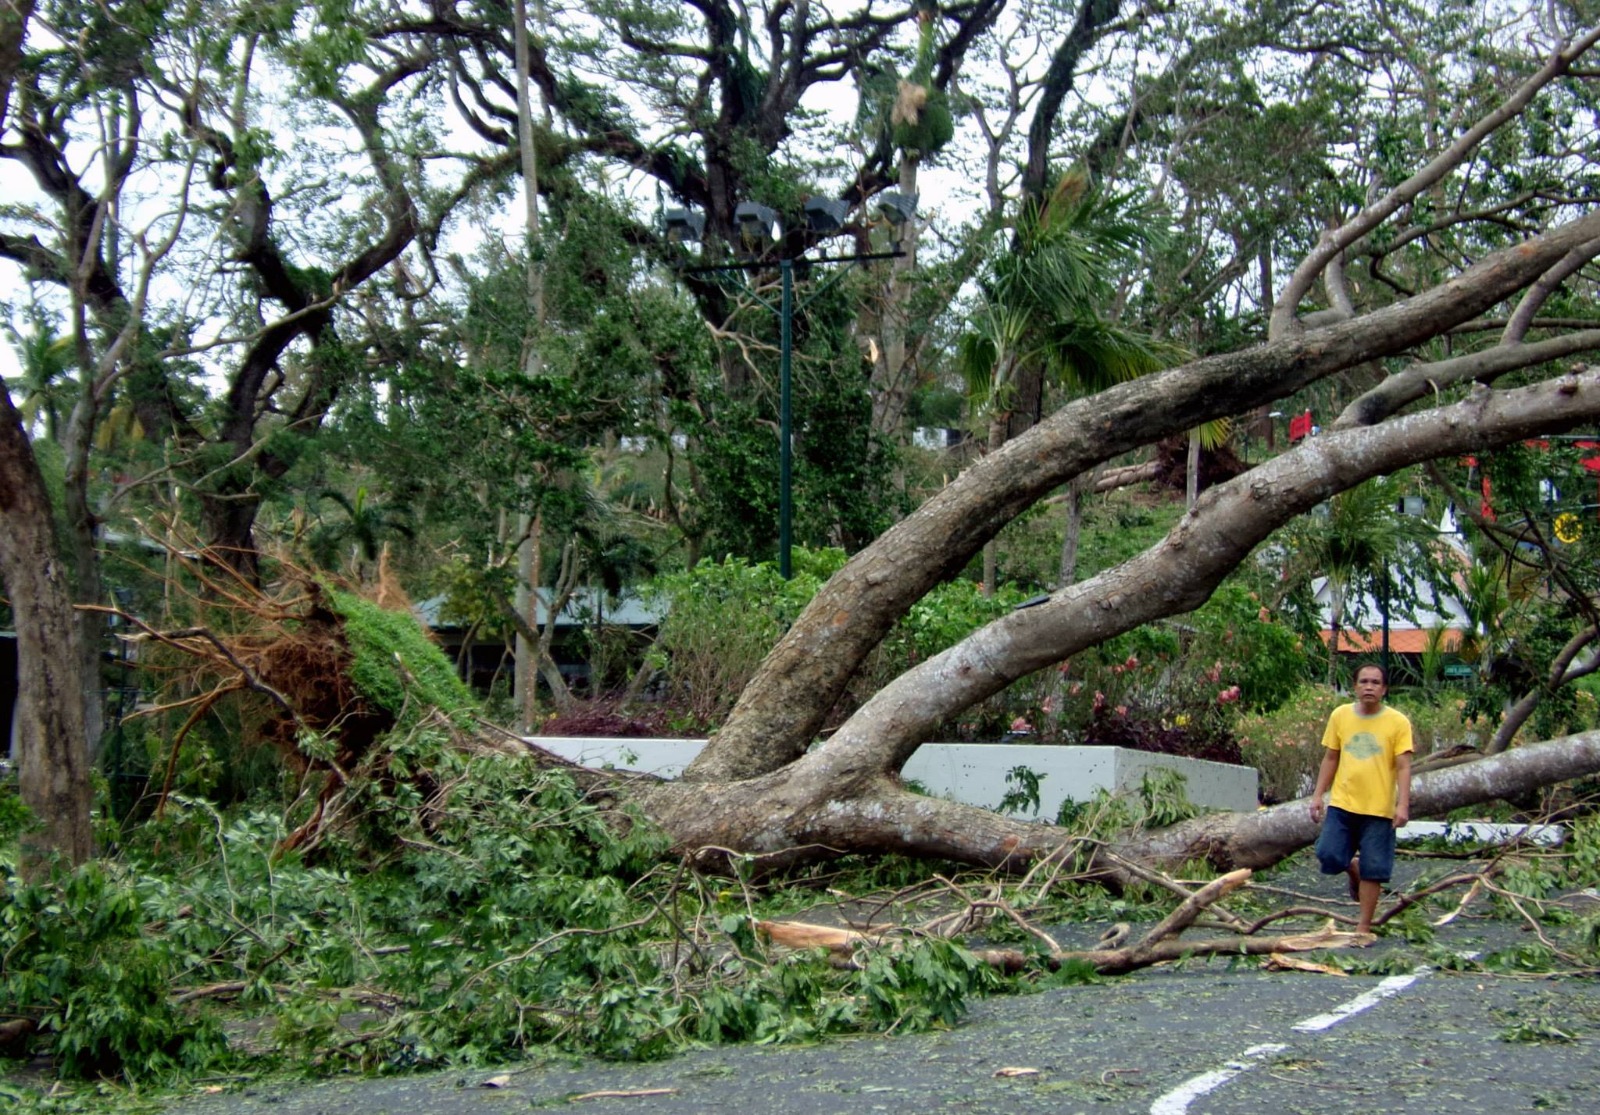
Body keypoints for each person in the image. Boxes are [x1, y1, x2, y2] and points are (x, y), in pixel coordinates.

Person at [1308, 663, 1413, 935]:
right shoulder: (1340, 716)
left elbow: (1403, 766)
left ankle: (1363, 927)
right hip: (1343, 803)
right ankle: (1351, 869)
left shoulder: (1398, 722)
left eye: (1375, 682)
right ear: (1355, 686)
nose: (1369, 686)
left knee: (1374, 869)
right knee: (1327, 854)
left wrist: (1402, 805)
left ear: (1384, 689)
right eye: (1364, 681)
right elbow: (1331, 757)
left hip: (1379, 810)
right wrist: (1318, 795)